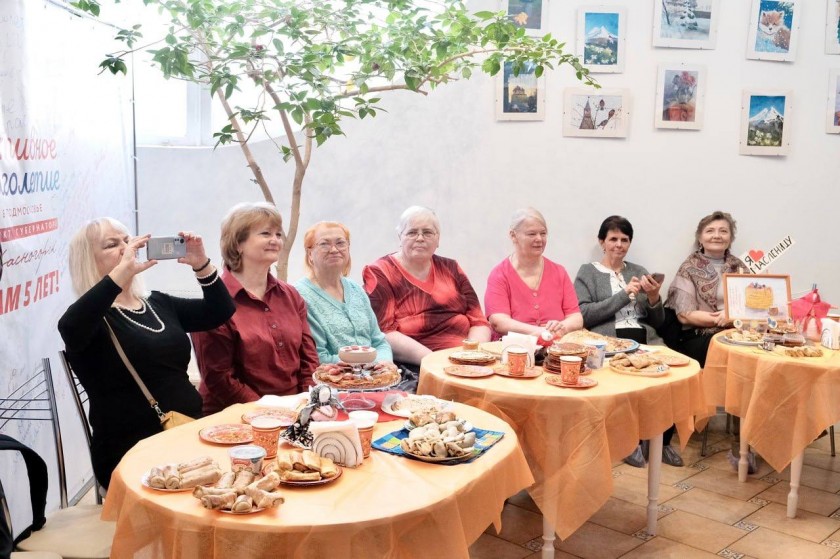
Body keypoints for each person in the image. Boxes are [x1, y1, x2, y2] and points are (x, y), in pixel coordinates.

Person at [58, 218, 235, 488]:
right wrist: (119, 275)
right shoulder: (91, 318)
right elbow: (69, 326)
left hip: (185, 432)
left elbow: (220, 310)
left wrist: (201, 264)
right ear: (87, 259)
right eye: (112, 245)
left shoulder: (157, 302)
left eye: (127, 241)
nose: (125, 249)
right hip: (132, 449)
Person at [192, 202, 319, 415]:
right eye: (265, 233)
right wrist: (268, 412)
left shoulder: (291, 295)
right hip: (235, 417)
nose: (275, 240)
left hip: (295, 410)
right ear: (238, 243)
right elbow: (219, 378)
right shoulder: (213, 301)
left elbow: (308, 357)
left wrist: (308, 401)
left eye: (278, 234)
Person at [574, 216, 680, 467]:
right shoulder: (587, 272)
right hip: (609, 339)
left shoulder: (639, 271)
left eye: (624, 239)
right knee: (622, 387)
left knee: (669, 378)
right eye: (613, 239)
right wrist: (624, 294)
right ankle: (627, 441)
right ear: (602, 242)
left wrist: (654, 297)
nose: (619, 244)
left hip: (644, 336)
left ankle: (661, 442)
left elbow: (656, 320)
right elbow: (585, 314)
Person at [363, 206, 490, 390]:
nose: (420, 238)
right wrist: (436, 362)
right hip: (417, 365)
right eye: (412, 232)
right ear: (400, 237)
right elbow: (384, 332)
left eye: (428, 232)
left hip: (465, 362)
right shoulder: (381, 272)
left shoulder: (451, 268)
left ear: (438, 239)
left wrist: (471, 357)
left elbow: (478, 321)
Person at [295, 221, 393, 364]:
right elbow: (319, 357)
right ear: (310, 254)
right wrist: (370, 366)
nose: (334, 249)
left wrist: (385, 363)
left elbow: (379, 341)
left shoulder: (356, 289)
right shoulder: (300, 296)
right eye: (324, 244)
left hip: (376, 376)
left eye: (340, 243)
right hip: (334, 380)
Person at [666, 211, 748, 367]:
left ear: (730, 238)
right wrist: (726, 319)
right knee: (733, 354)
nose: (717, 236)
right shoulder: (689, 267)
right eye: (710, 231)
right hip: (700, 335)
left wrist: (733, 317)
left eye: (723, 231)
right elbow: (685, 315)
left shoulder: (740, 267)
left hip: (739, 332)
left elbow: (752, 307)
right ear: (700, 238)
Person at [485, 208, 582, 338]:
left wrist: (561, 327)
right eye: (531, 234)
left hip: (556, 349)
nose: (539, 239)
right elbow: (499, 322)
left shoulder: (559, 272)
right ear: (513, 235)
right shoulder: (499, 274)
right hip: (513, 350)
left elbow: (576, 318)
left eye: (543, 233)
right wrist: (539, 332)